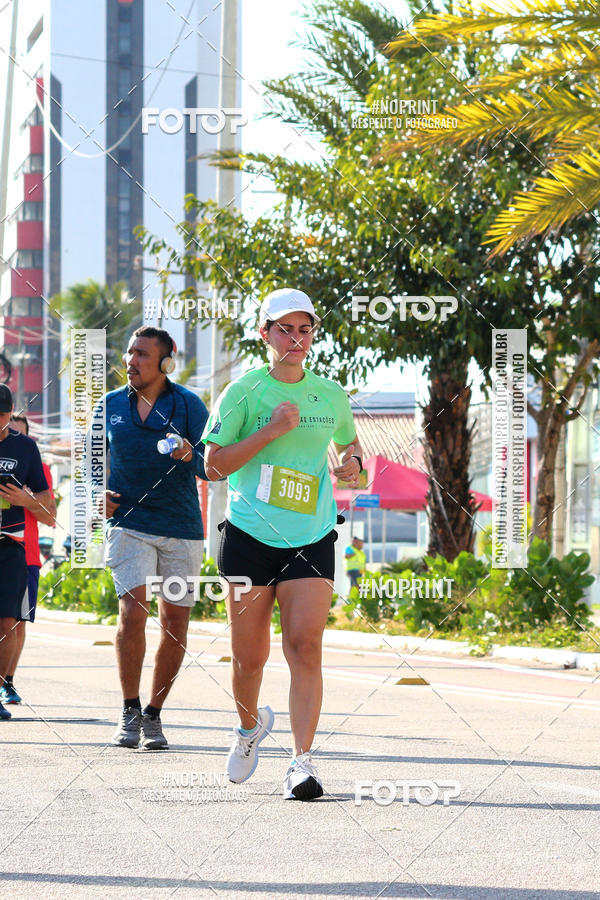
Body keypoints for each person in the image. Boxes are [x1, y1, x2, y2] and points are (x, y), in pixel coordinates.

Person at [203, 287, 363, 800]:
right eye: (285, 329)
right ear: (265, 334)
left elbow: (349, 445)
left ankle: (302, 762)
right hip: (249, 535)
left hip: (311, 536)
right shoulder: (242, 393)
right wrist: (271, 432)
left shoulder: (329, 394)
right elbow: (214, 465)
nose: (296, 338)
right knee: (249, 658)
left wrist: (352, 465)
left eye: (305, 329)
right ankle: (249, 730)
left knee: (305, 646)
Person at [104, 326, 209, 751]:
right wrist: (96, 494)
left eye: (142, 354)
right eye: (130, 352)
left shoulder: (189, 405)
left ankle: (153, 714)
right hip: (129, 524)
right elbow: (91, 462)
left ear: (166, 362)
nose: (131, 360)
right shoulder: (108, 405)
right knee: (132, 612)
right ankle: (129, 709)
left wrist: (191, 454)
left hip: (182, 530)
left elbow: (211, 466)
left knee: (176, 623)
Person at [0, 386, 55, 720]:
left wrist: (25, 501)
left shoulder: (25, 448)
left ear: (11, 412)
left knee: (8, 622)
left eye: (3, 415)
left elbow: (49, 514)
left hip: (11, 547)